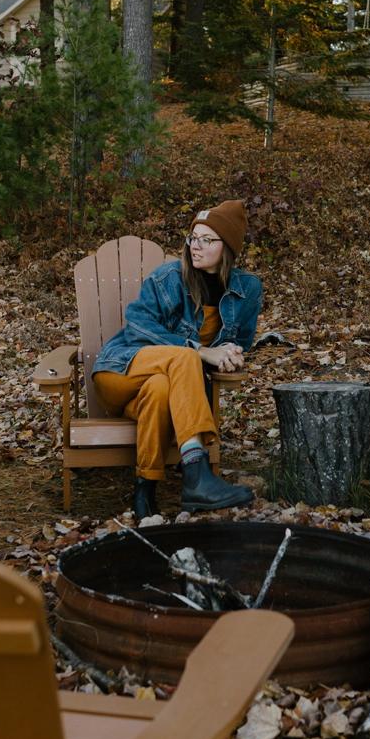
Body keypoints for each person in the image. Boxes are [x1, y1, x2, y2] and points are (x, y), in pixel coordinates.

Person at [92, 200, 262, 519]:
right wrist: (200, 350)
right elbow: (138, 322)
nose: (195, 246)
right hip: (118, 370)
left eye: (206, 240)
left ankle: (144, 492)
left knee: (159, 389)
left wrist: (230, 353)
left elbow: (237, 340)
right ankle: (196, 474)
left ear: (227, 247)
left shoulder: (247, 289)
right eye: (192, 238)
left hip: (158, 383)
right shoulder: (169, 276)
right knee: (184, 357)